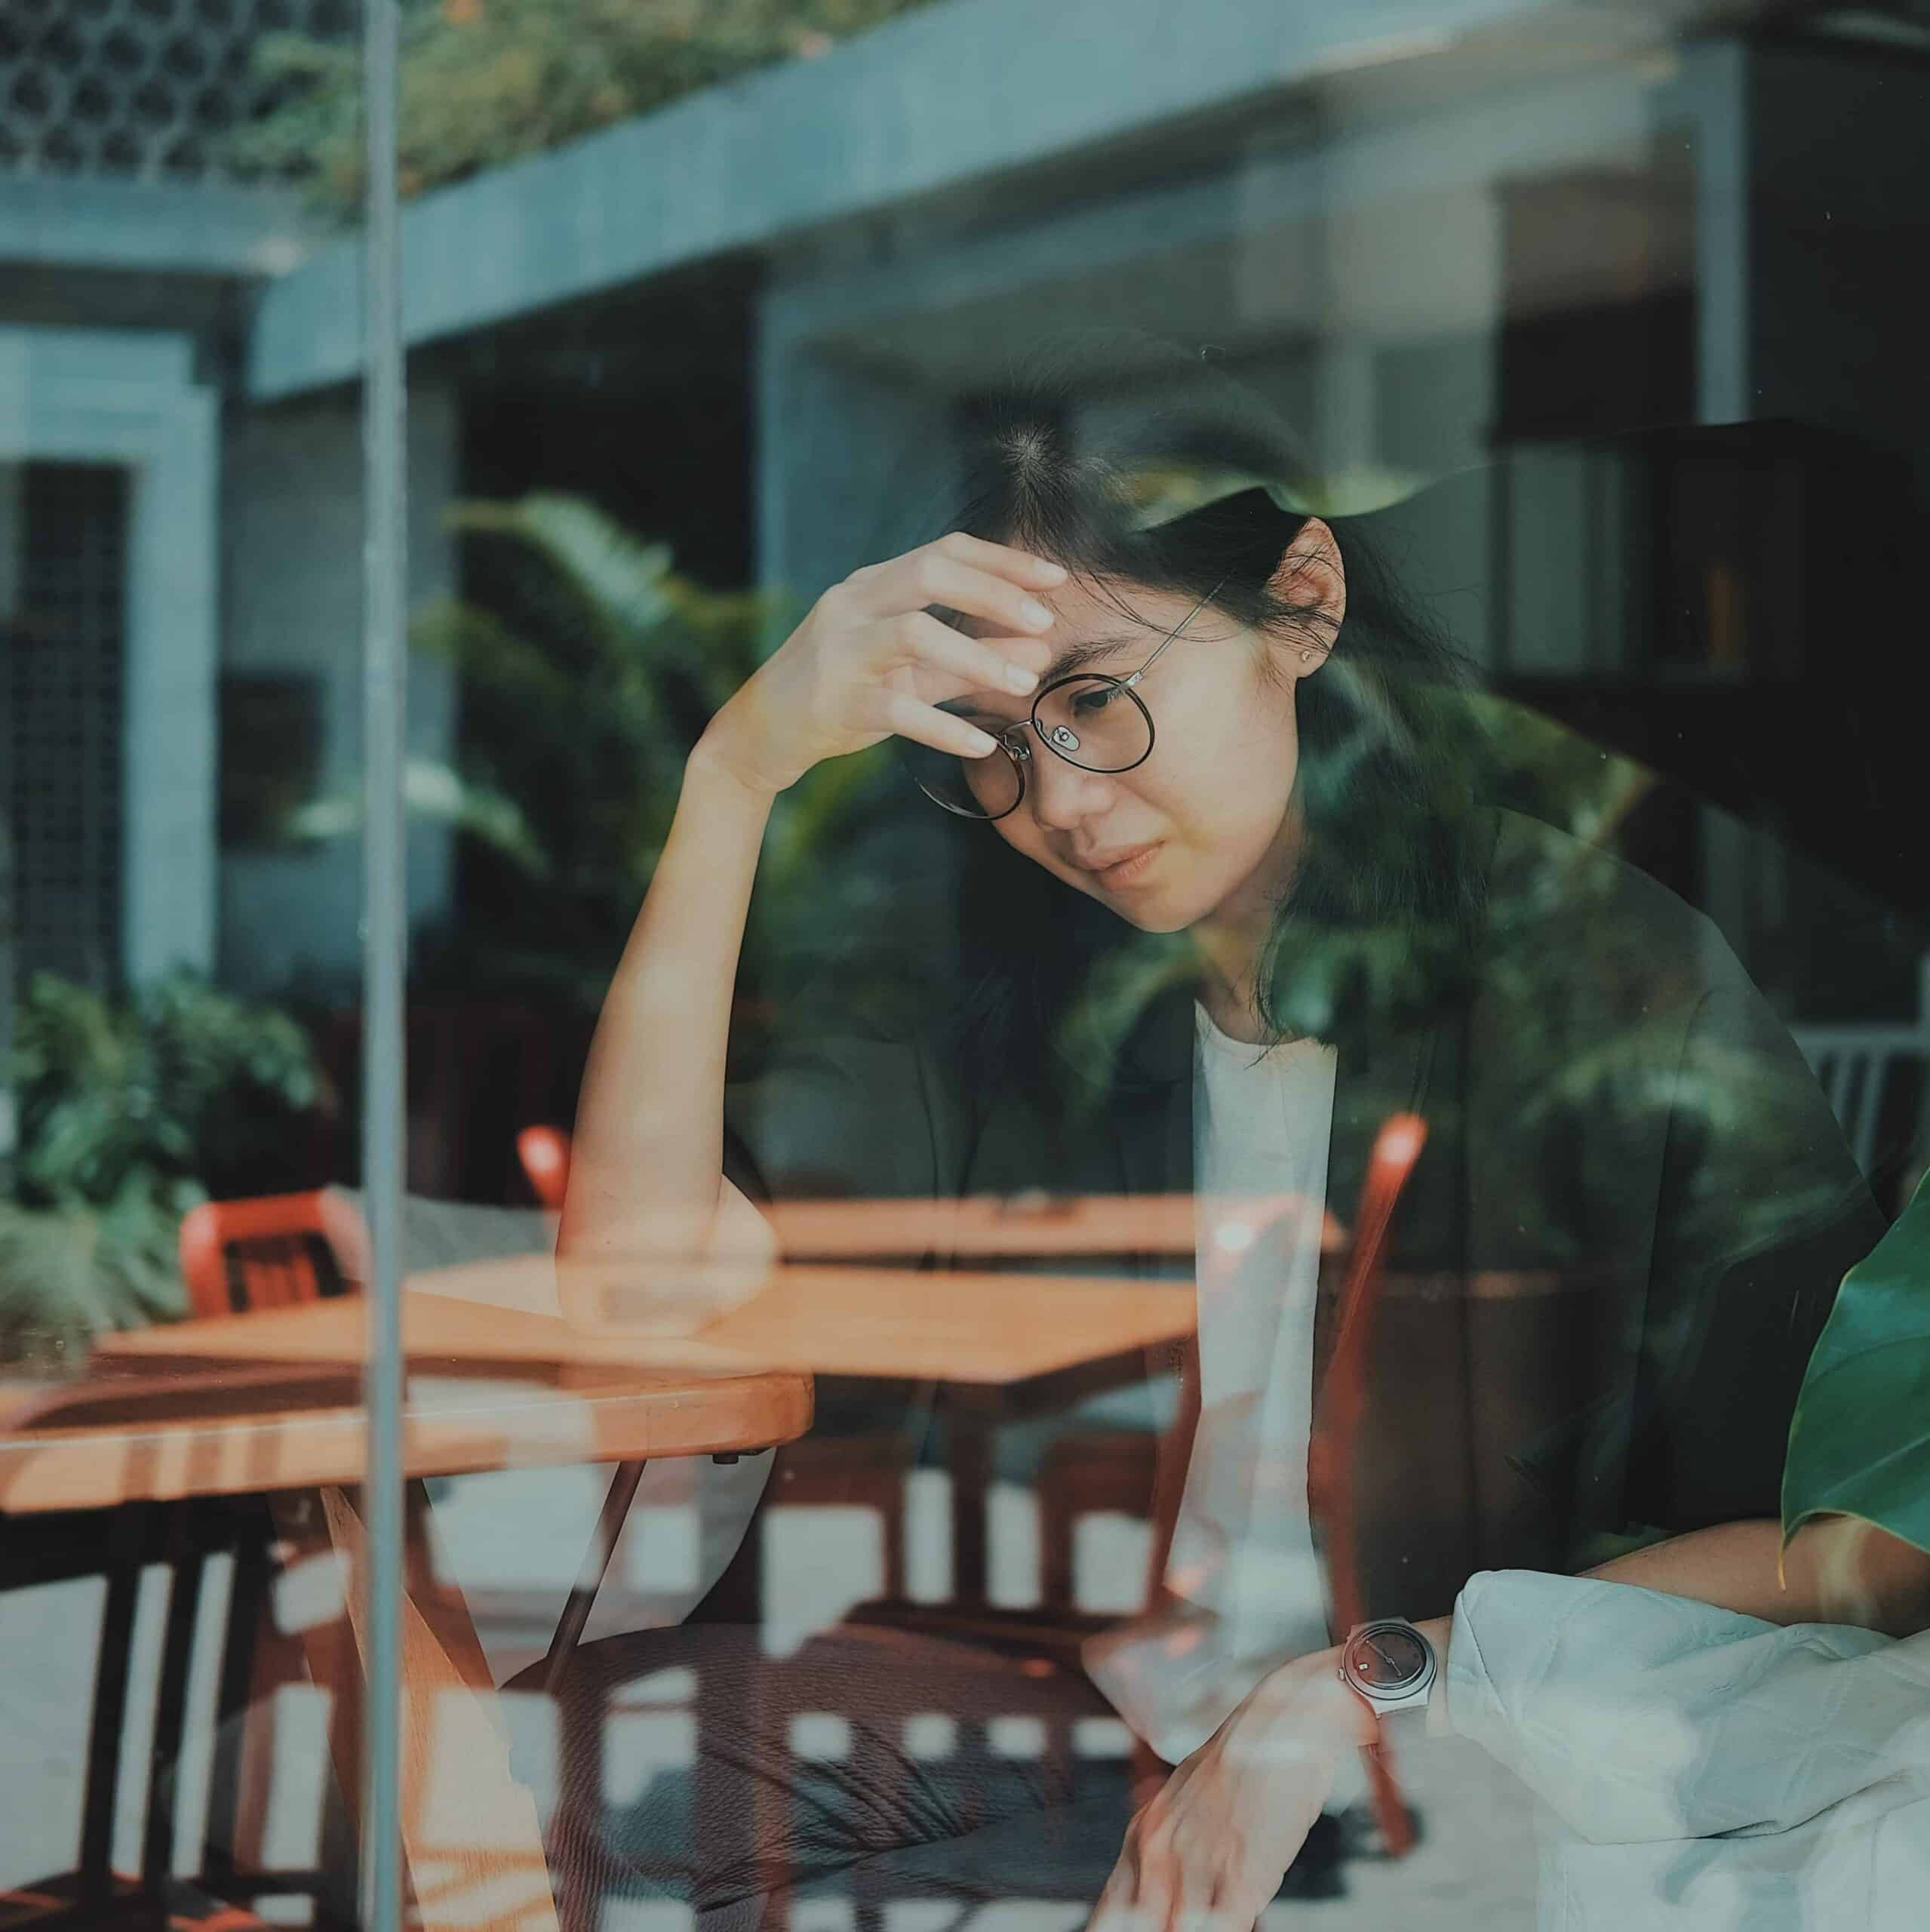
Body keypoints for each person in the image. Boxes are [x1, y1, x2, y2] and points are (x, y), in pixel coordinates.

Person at [530, 347, 1930, 1931]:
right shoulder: (1038, 1010)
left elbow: (1845, 1555)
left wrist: (1374, 1684)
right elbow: (634, 1289)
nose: (1055, 799)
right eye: (986, 744)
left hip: (1442, 1753)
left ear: (1300, 602)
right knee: (554, 1763)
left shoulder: (1599, 987)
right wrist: (735, 770)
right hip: (1092, 1712)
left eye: (1095, 698)